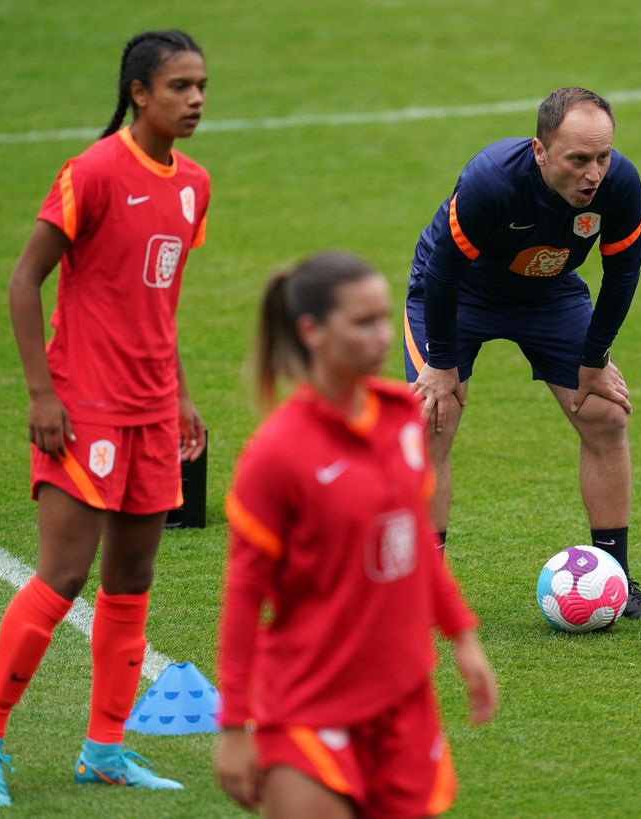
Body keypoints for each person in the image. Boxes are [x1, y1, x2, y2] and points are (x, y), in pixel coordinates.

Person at [0, 30, 210, 807]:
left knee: (131, 583)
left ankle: (103, 749)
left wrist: (182, 393)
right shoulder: (93, 171)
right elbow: (25, 281)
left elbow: (157, 303)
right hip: (84, 409)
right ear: (139, 92)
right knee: (63, 576)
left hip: (152, 411)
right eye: (179, 86)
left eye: (201, 86)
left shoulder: (194, 183)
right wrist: (41, 393)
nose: (195, 99)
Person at [215, 252, 498, 818]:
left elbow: (414, 541)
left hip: (402, 704)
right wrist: (232, 727)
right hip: (309, 707)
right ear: (311, 331)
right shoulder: (276, 454)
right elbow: (245, 596)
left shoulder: (401, 418)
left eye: (384, 318)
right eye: (362, 322)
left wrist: (463, 638)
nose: (380, 337)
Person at [405, 86, 641, 621]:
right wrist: (440, 363)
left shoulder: (620, 184)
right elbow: (443, 271)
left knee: (605, 415)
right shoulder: (492, 180)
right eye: (578, 160)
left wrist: (594, 361)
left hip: (547, 293)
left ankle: (613, 578)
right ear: (540, 151)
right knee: (433, 416)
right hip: (460, 294)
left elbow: (623, 275)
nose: (593, 174)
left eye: (602, 157)